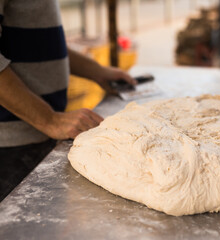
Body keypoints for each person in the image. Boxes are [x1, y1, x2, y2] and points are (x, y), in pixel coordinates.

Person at [0, 0, 136, 200]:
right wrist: (49, 119)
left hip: (35, 134)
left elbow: (40, 44)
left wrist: (97, 72)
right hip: (10, 146)